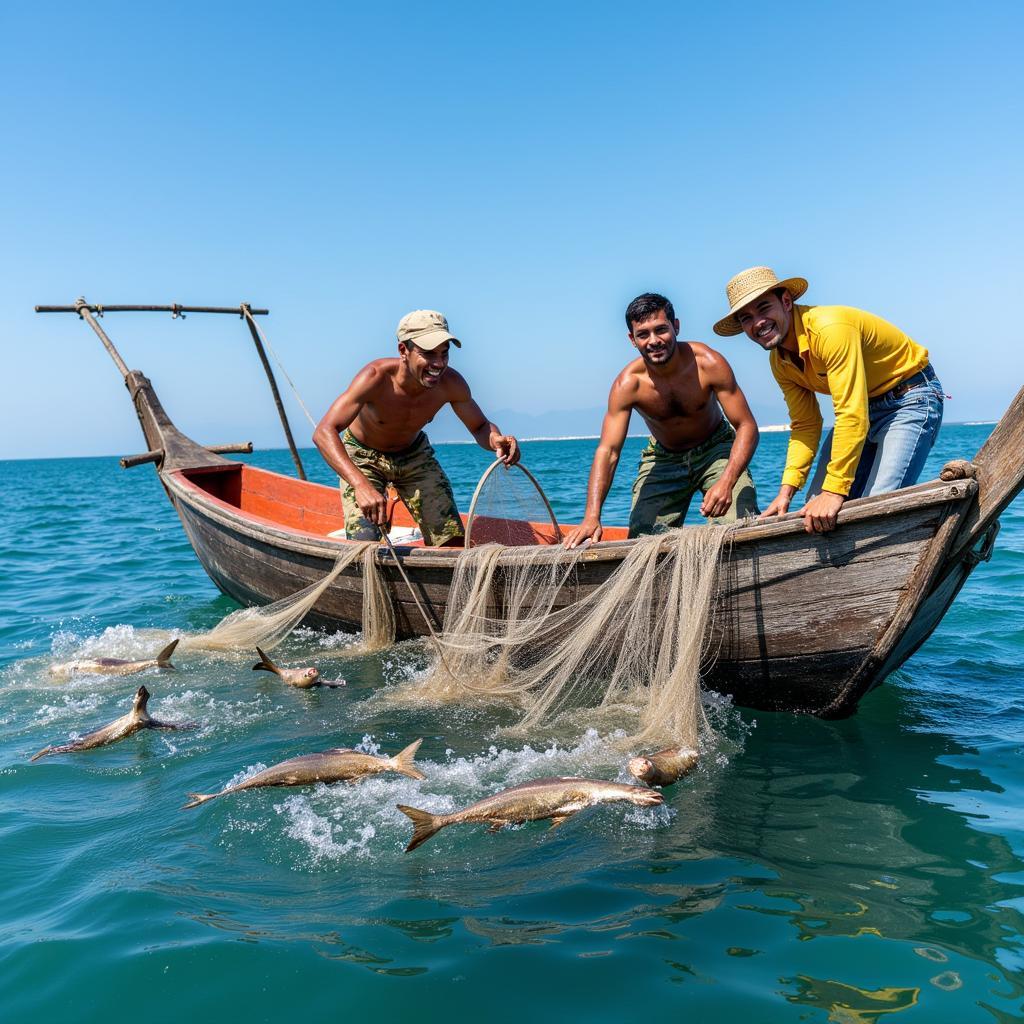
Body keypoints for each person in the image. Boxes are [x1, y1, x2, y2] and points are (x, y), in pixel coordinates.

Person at [713, 266, 944, 534]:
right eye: (746, 318)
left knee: (876, 507)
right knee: (811, 511)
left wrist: (835, 491)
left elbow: (850, 414)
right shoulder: (779, 362)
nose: (757, 323)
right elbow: (805, 424)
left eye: (764, 308)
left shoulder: (829, 330)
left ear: (786, 302)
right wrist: (786, 492)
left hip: (908, 400)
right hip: (864, 409)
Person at [564, 292, 759, 548]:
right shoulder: (628, 384)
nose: (654, 341)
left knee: (738, 529)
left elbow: (747, 426)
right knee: (643, 541)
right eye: (643, 334)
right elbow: (608, 451)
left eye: (661, 330)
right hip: (663, 457)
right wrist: (592, 516)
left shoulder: (708, 363)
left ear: (676, 326)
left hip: (716, 449)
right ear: (632, 339)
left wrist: (727, 480)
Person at [313, 309, 519, 546]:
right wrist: (360, 485)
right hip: (363, 457)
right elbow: (324, 432)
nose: (438, 363)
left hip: (414, 456)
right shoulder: (375, 378)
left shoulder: (452, 383)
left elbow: (480, 426)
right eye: (428, 354)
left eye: (444, 354)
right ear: (403, 351)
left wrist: (496, 439)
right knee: (365, 545)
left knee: (451, 541)